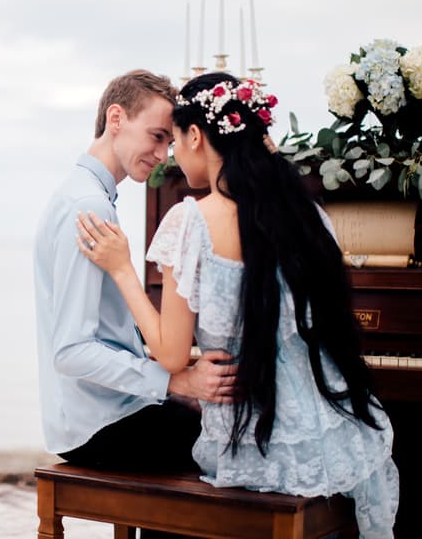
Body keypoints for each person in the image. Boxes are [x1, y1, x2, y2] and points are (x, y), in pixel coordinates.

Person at [75, 72, 400, 538]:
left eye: (174, 140)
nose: (170, 155)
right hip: (340, 435)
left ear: (195, 135)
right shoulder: (305, 215)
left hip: (255, 441)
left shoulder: (190, 220)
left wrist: (122, 269)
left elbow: (169, 355)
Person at [33, 69, 238, 538]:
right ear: (116, 118)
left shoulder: (83, 195)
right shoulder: (90, 207)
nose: (164, 155)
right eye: (157, 136)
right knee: (232, 442)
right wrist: (175, 380)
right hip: (98, 424)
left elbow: (104, 332)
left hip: (94, 414)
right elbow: (71, 351)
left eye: (170, 141)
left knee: (209, 419)